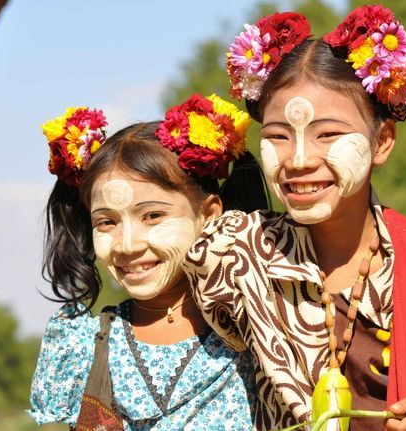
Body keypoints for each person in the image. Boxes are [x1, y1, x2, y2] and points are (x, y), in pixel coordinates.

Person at [183, 6, 406, 431]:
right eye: (277, 136)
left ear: (382, 141)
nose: (298, 160)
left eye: (328, 134)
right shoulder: (234, 253)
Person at [28, 95, 268, 430]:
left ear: (209, 214)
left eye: (153, 216)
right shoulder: (82, 346)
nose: (128, 244)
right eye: (106, 222)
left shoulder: (261, 326)